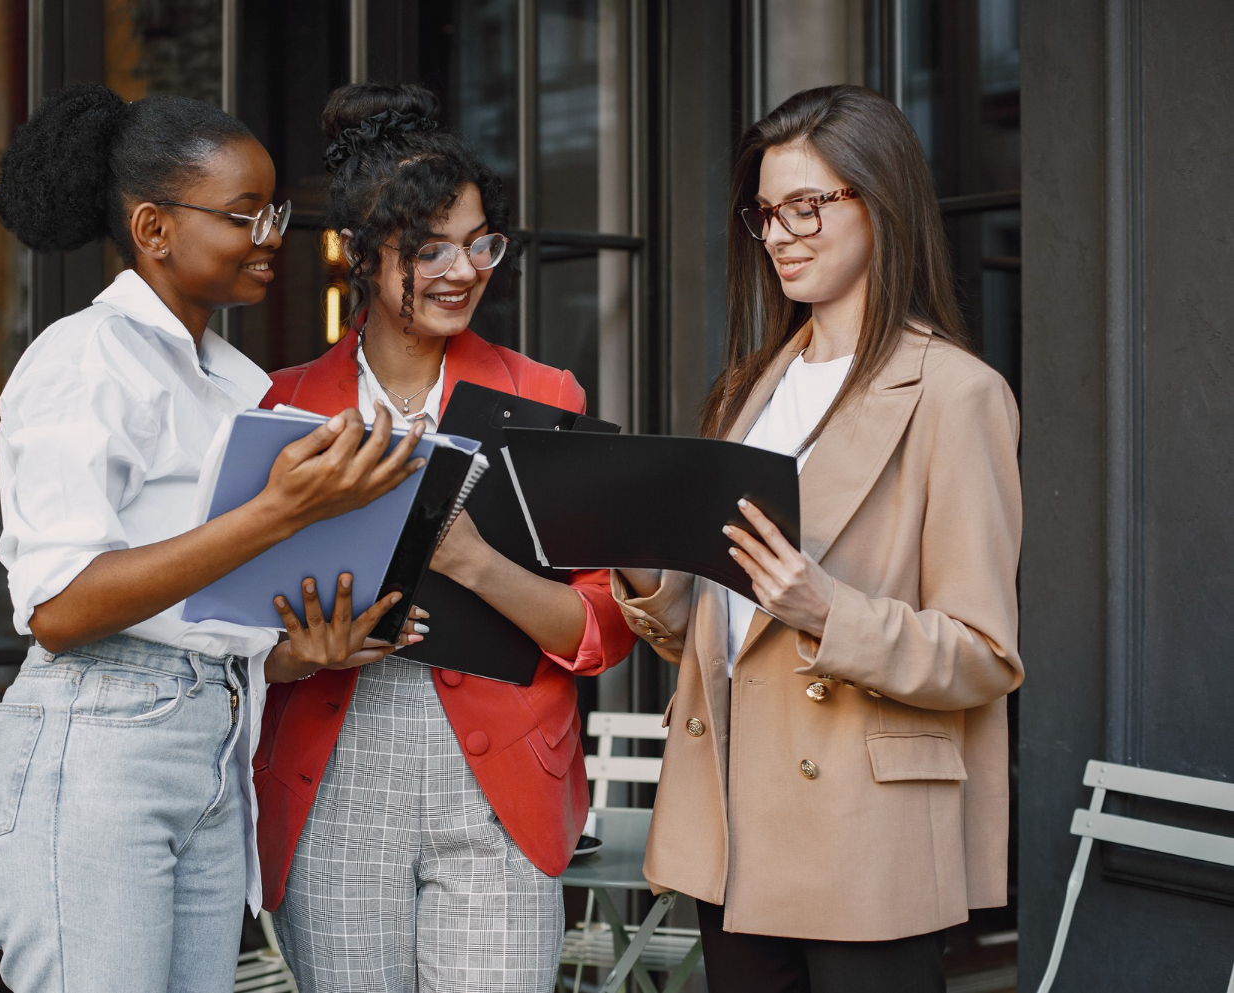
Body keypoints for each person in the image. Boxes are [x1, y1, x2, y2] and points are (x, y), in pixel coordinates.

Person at [0, 82, 427, 993]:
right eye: (245, 216)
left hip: (213, 740)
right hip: (94, 750)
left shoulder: (234, 381)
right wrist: (281, 511)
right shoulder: (82, 360)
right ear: (154, 229)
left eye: (276, 213)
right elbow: (60, 609)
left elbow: (202, 607)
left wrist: (294, 654)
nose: (273, 239)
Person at [614, 84, 1024, 993]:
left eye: (809, 205)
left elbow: (985, 653)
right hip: (732, 820)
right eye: (768, 213)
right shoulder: (747, 393)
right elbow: (717, 629)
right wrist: (637, 555)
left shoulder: (956, 395)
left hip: (862, 833)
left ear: (881, 203)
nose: (784, 234)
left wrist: (827, 610)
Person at [253, 82, 638, 993]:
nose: (462, 269)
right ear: (360, 253)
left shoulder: (547, 398)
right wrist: (301, 655)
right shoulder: (280, 406)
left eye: (479, 243)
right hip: (334, 778)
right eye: (427, 248)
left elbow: (601, 628)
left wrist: (473, 561)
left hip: (504, 782)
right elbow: (234, 641)